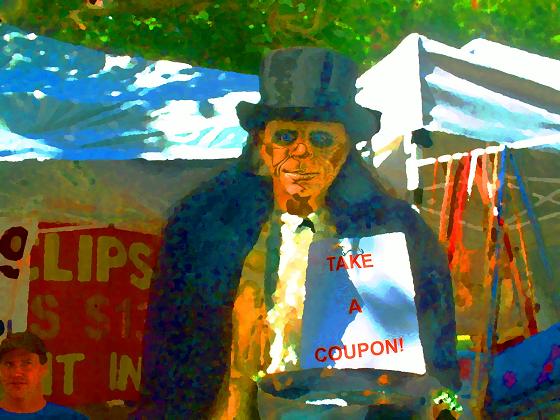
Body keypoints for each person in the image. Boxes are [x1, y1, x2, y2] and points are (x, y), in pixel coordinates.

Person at [138, 47, 460, 418]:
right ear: (262, 144)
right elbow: (169, 350)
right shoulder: (204, 227)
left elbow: (435, 348)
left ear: (344, 148)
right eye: (286, 137)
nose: (301, 152)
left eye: (321, 140)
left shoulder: (396, 232)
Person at [0, 331, 88, 419]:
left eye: (26, 363)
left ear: (43, 368)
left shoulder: (70, 418)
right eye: (9, 364)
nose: (16, 373)